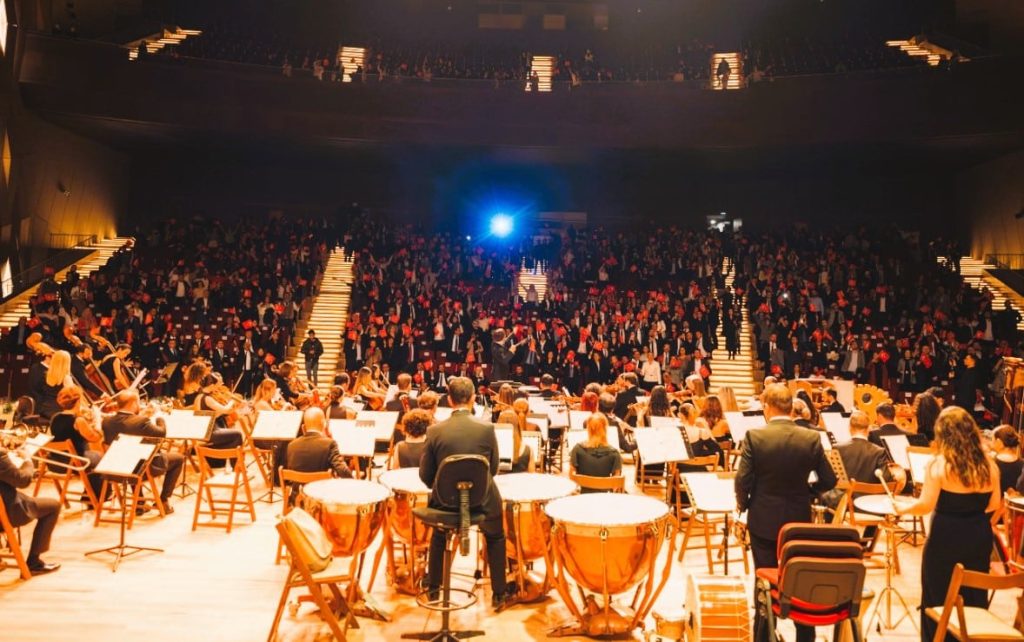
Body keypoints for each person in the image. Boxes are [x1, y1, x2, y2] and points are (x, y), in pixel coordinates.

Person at [735, 383, 836, 642]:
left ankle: (764, 635)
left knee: (764, 581)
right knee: (800, 578)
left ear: (767, 407)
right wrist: (807, 491)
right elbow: (830, 480)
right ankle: (804, 634)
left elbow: (742, 479)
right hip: (798, 519)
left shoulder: (754, 436)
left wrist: (744, 504)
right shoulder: (811, 438)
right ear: (790, 408)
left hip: (763, 518)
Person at [895, 406, 999, 642]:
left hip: (945, 537)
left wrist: (903, 508)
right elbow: (994, 504)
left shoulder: (939, 464)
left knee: (937, 595)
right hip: (978, 536)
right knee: (974, 594)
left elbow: (925, 505)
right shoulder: (989, 466)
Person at [418, 376, 514, 610]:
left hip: (445, 500)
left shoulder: (434, 431)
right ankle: (499, 594)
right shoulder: (486, 428)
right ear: (472, 399)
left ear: (449, 400)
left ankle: (433, 589)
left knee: (439, 536)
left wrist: (445, 489)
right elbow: (492, 469)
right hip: (482, 500)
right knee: (496, 535)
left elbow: (425, 475)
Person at [101, 389, 184, 512]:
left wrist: (144, 415)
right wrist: (159, 417)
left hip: (115, 469)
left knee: (131, 455)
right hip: (141, 470)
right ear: (133, 404)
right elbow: (161, 433)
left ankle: (139, 502)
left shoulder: (106, 422)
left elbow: (130, 423)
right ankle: (163, 500)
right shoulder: (141, 422)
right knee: (178, 459)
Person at [0, 445, 62, 574]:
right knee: (54, 506)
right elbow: (23, 480)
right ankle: (34, 563)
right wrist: (28, 460)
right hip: (7, 512)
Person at [47, 386, 104, 504]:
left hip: (55, 461)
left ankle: (88, 495)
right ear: (78, 401)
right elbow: (95, 437)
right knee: (101, 458)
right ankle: (95, 497)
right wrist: (98, 419)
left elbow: (71, 433)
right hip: (73, 463)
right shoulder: (78, 421)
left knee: (92, 456)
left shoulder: (55, 417)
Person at [285, 407, 352, 478]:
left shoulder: (291, 445)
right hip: (321, 488)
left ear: (303, 427)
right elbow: (342, 470)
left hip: (299, 488)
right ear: (324, 424)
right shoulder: (330, 444)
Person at [569, 413, 622, 489]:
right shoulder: (614, 453)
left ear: (588, 429)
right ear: (605, 428)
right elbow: (615, 485)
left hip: (582, 497)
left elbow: (572, 479)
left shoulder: (577, 449)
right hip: (605, 498)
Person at [991, 425, 1022, 496]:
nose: (991, 444)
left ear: (999, 442)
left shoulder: (991, 463)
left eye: (992, 440)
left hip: (995, 505)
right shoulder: (1022, 464)